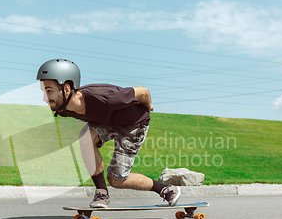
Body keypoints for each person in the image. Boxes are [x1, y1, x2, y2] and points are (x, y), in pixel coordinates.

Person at [37, 58, 180, 208]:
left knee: (117, 180)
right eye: (44, 91)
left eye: (49, 91)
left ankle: (165, 189)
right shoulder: (63, 108)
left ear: (66, 89)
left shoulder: (105, 97)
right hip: (107, 122)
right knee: (85, 137)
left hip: (133, 124)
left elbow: (143, 92)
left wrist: (149, 106)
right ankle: (101, 193)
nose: (45, 98)